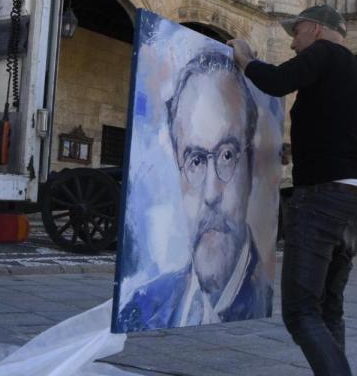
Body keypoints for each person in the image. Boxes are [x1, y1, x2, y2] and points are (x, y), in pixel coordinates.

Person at [228, 4, 357, 376]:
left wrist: (245, 59)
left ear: (313, 28)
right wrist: (298, 150)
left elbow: (277, 82)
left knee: (300, 311)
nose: (294, 44)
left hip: (323, 199)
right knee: (328, 307)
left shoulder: (323, 53)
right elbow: (342, 133)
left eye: (295, 34)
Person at [117, 50, 272, 331]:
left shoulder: (264, 294)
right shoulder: (142, 305)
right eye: (196, 160)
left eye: (227, 155)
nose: (211, 193)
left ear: (251, 164)